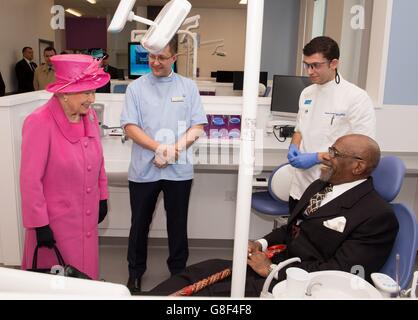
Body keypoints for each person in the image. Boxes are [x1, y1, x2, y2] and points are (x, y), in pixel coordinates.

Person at [148, 134, 398, 297]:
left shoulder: (377, 217)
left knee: (208, 295)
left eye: (335, 153)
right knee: (197, 272)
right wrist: (261, 243)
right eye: (330, 149)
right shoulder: (320, 186)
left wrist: (271, 270)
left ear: (358, 166)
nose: (326, 156)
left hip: (295, 285)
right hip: (275, 265)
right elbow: (291, 229)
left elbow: (339, 273)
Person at [120, 36, 207, 293]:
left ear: (174, 58)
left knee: (177, 225)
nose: (155, 62)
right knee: (139, 225)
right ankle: (135, 274)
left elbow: (197, 126)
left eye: (161, 57)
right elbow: (130, 127)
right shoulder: (136, 88)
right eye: (151, 57)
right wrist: (158, 148)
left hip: (178, 171)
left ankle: (179, 274)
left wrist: (173, 151)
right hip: (143, 170)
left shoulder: (187, 87)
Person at [20, 54, 110, 280]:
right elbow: (30, 180)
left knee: (85, 278)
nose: (92, 99)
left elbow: (99, 161)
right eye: (86, 92)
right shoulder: (39, 122)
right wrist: (40, 225)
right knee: (59, 284)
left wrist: (102, 197)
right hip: (55, 227)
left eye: (93, 91)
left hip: (85, 220)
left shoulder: (89, 117)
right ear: (64, 93)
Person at [287, 36, 376, 213]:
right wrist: (294, 146)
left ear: (333, 63)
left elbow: (363, 150)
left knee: (317, 238)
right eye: (307, 65)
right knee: (294, 234)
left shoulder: (356, 97)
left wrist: (316, 157)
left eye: (316, 65)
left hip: (330, 187)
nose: (310, 71)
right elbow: (300, 128)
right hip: (299, 185)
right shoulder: (307, 93)